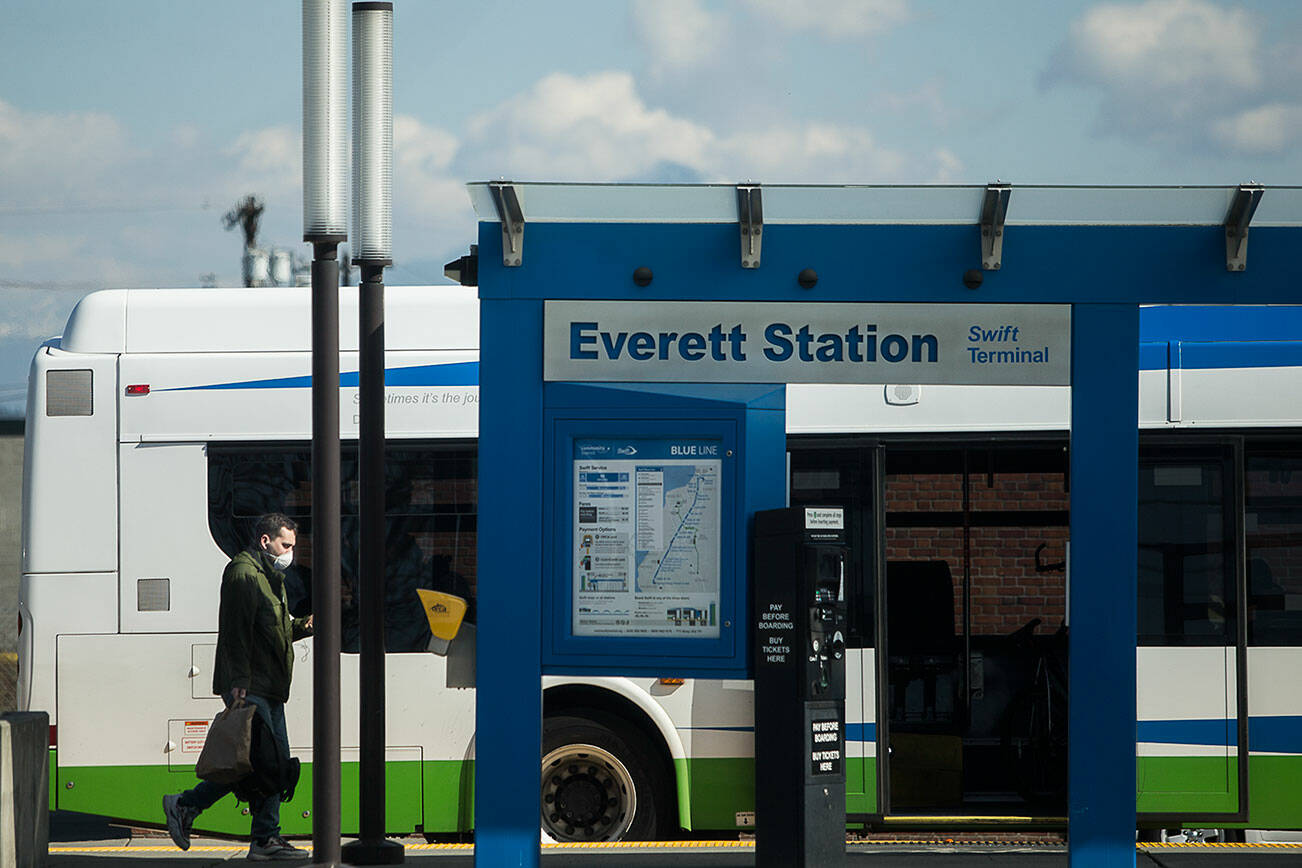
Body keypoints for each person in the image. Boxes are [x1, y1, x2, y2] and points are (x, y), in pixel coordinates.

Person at [163, 513, 314, 860]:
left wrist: (305, 625)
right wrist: (239, 683)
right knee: (265, 763)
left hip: (269, 686)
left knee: (266, 766)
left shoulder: (268, 577)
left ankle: (260, 837)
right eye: (285, 545)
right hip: (253, 685)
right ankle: (196, 808)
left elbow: (274, 630)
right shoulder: (244, 573)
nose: (290, 552)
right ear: (265, 541)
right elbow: (236, 631)